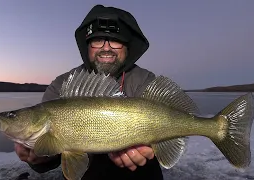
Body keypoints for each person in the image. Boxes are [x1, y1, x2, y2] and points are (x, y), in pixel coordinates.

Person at [14, 4, 164, 180]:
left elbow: (167, 131)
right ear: (87, 46)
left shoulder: (146, 81)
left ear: (128, 48)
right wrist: (39, 157)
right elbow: (52, 155)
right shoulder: (62, 85)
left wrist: (155, 147)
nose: (106, 48)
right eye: (98, 40)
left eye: (116, 41)